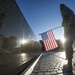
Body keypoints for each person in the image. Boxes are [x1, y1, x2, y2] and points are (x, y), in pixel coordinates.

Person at [60, 4, 75, 72]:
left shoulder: (63, 8)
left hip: (69, 28)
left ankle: (69, 65)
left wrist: (63, 23)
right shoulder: (71, 11)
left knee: (68, 44)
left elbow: (64, 15)